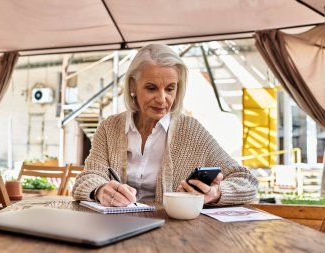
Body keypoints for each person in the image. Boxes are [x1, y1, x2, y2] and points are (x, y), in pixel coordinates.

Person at [72, 44, 258, 207]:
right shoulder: (109, 128)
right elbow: (86, 179)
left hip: (172, 234)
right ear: (132, 87)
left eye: (170, 89)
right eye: (151, 88)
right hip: (114, 229)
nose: (162, 99)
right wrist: (100, 189)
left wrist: (216, 193)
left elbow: (246, 180)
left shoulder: (190, 130)